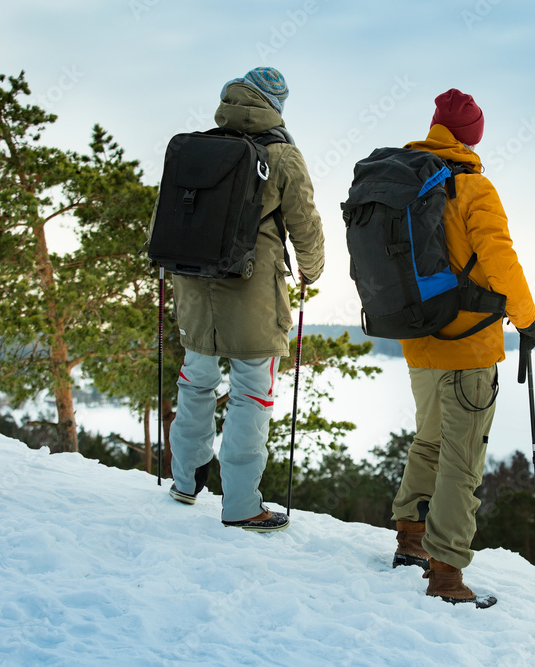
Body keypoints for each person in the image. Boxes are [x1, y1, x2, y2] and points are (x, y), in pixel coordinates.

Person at [391, 88, 535, 603]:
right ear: (473, 136)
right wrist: (527, 319)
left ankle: (409, 538)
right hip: (469, 349)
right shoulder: (475, 188)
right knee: (462, 459)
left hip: (418, 340)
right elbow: (501, 262)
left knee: (428, 439)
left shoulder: (404, 179)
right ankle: (446, 574)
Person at [166, 67, 324, 532]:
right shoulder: (282, 153)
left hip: (192, 284)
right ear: (276, 106)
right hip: (254, 291)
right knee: (252, 392)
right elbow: (305, 225)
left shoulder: (198, 146)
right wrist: (312, 272)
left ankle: (184, 482)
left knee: (195, 380)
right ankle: (239, 505)